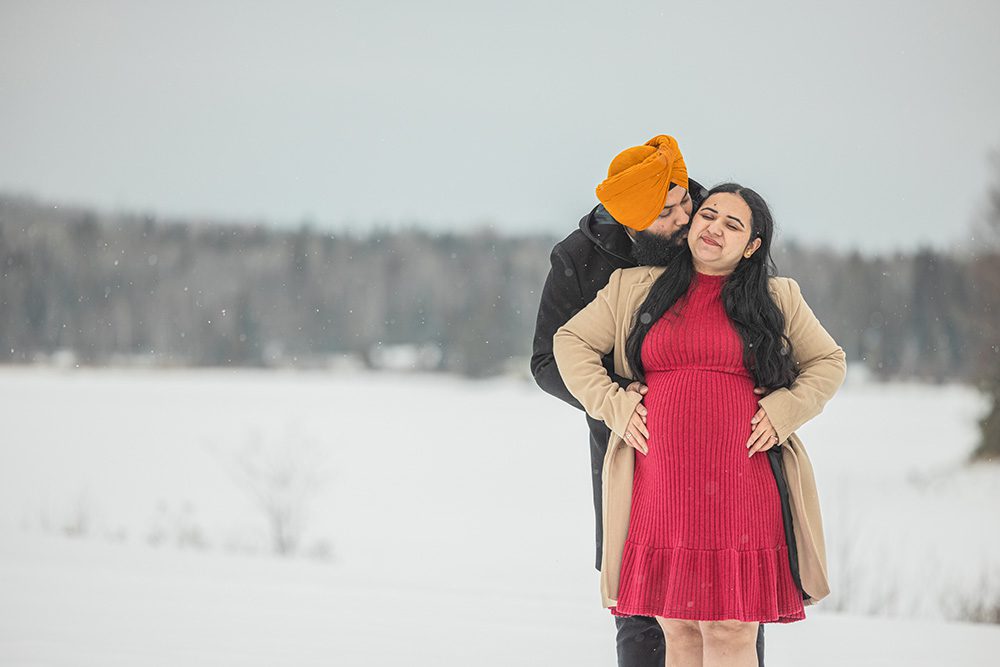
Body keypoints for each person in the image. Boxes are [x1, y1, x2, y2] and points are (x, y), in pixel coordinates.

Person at [552, 182, 846, 667]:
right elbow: (570, 343)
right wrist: (613, 405)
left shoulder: (776, 297)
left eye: (733, 224)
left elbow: (828, 362)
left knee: (730, 629)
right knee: (680, 630)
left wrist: (785, 409)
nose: (714, 228)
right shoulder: (636, 288)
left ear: (752, 246)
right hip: (661, 485)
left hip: (741, 487)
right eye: (708, 215)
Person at [530, 135, 770, 667]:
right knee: (643, 611)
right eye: (668, 212)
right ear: (632, 220)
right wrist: (619, 401)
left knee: (732, 610)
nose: (687, 218)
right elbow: (549, 360)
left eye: (685, 199)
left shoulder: (717, 228)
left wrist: (772, 403)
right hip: (635, 453)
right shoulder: (582, 259)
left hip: (728, 459)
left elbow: (774, 333)